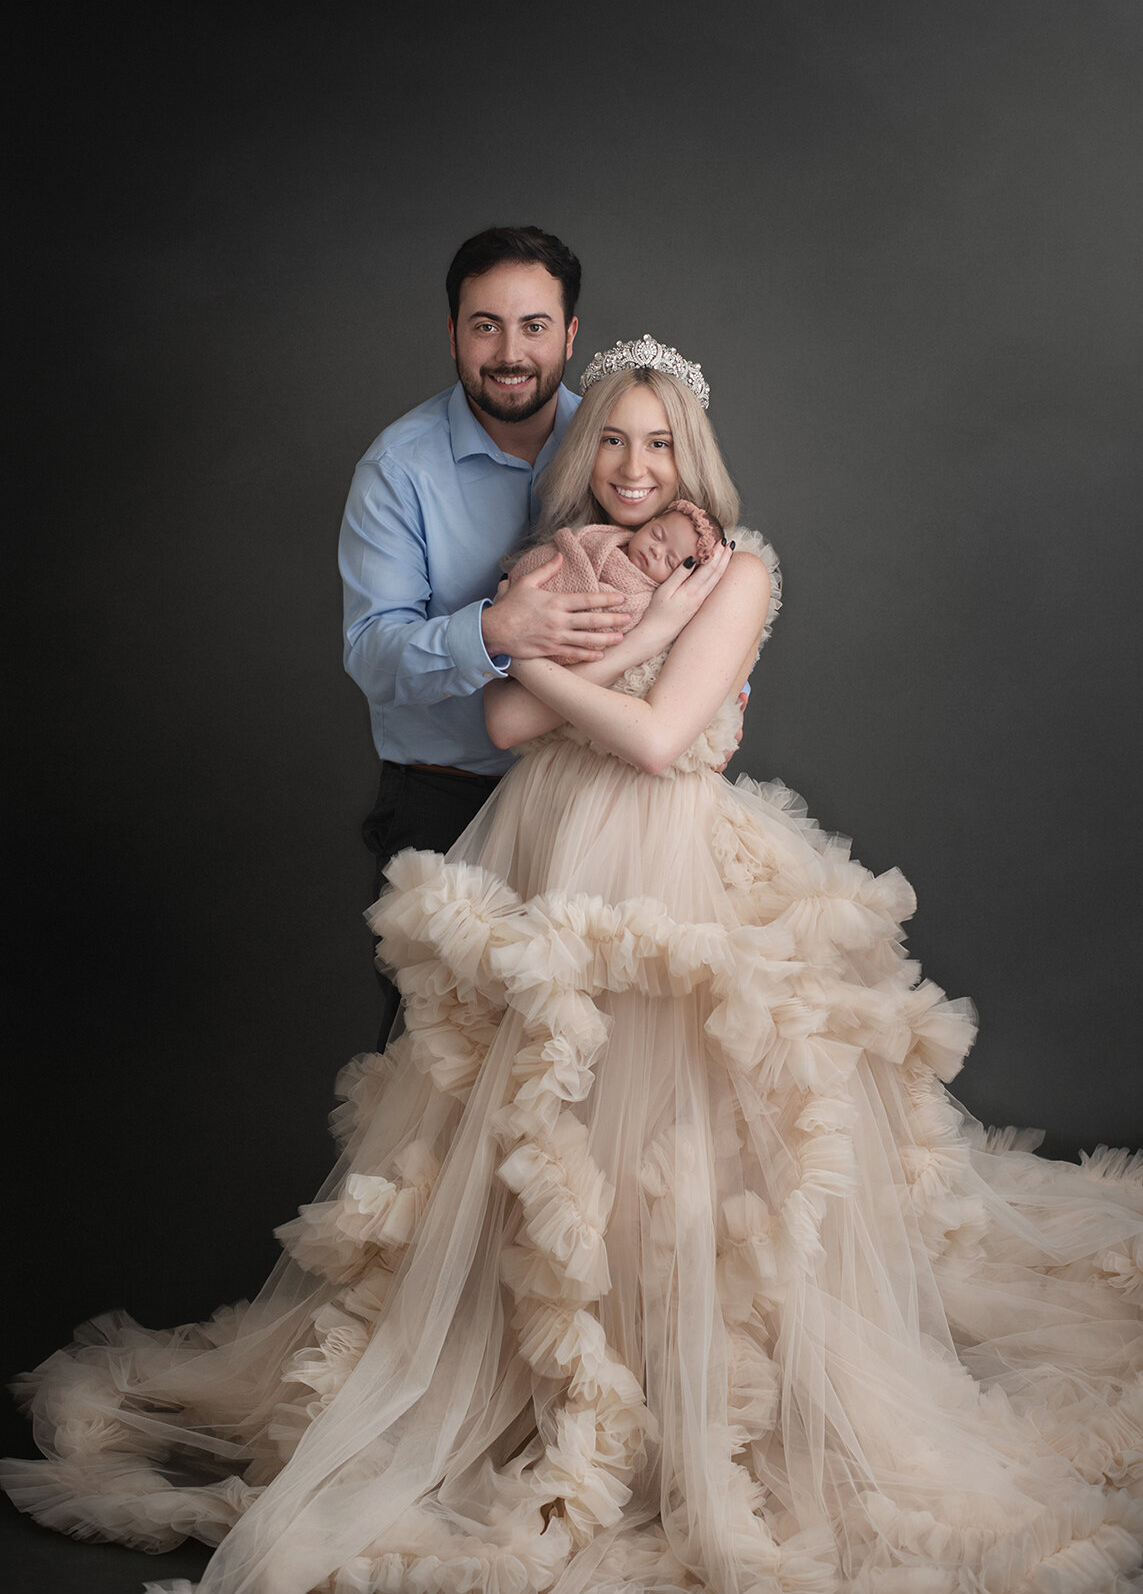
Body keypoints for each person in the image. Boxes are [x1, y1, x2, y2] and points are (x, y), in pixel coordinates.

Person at [5, 340, 1143, 1594]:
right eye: (612, 440)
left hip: (667, 866)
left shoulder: (740, 567)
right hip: (543, 846)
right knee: (534, 1131)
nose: (635, 466)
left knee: (680, 1135)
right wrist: (612, 634)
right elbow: (498, 723)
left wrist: (615, 644)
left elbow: (659, 743)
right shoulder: (552, 561)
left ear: (691, 454)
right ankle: (522, 1386)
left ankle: (686, 1397)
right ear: (584, 449)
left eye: (659, 444)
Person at [338, 232, 714, 1038]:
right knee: (439, 1069)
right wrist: (493, 629)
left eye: (534, 326)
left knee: (588, 1076)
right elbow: (371, 654)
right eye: (485, 326)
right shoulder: (398, 470)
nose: (511, 352)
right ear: (452, 333)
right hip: (450, 802)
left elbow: (693, 568)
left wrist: (715, 686)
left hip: (601, 806)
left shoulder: (626, 445)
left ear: (570, 334)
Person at [506, 499, 728, 637]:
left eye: (670, 561)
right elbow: (571, 544)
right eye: (656, 535)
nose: (656, 551)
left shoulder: (641, 598)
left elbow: (604, 626)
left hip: (545, 629)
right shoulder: (608, 536)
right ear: (649, 522)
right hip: (523, 587)